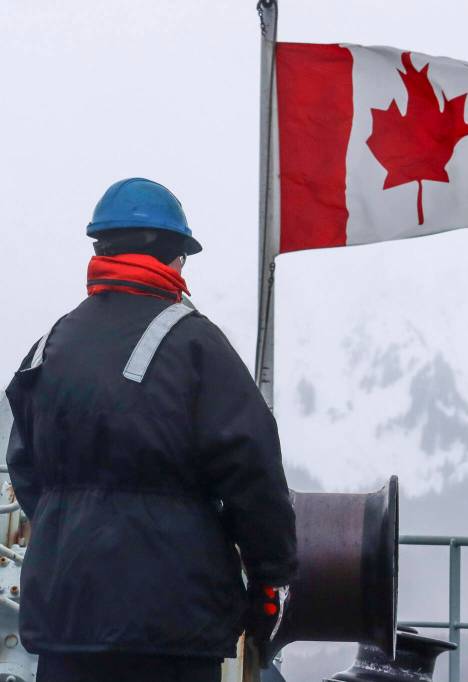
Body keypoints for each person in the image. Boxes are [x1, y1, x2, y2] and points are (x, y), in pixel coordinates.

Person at [4, 178, 298, 682]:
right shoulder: (197, 345)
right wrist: (271, 577)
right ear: (175, 257)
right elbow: (252, 473)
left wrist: (74, 529)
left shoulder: (47, 346)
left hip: (65, 615)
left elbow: (25, 469)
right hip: (173, 623)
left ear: (101, 249)